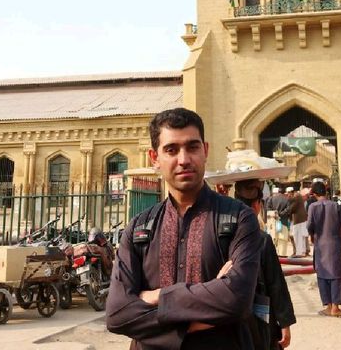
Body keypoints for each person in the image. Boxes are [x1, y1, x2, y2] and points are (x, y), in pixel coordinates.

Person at [106, 108, 262, 349]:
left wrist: (156, 296)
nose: (184, 159)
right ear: (154, 158)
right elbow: (118, 314)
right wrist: (204, 305)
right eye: (171, 150)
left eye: (192, 147)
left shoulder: (238, 218)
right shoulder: (139, 227)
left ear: (205, 150)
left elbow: (237, 300)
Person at [234, 179, 296, 350]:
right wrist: (285, 322)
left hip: (227, 318)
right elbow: (275, 283)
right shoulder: (262, 239)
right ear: (257, 206)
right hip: (260, 319)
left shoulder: (219, 237)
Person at [307, 181, 341, 318]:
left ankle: (328, 307)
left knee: (322, 273)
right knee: (336, 274)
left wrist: (313, 235)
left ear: (314, 194)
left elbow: (309, 226)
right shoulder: (335, 206)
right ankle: (335, 307)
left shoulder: (312, 207)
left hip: (319, 243)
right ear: (326, 192)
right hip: (334, 243)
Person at [265, 186, 290, 256]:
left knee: (273, 238)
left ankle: (273, 254)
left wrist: (275, 213)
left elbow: (268, 208)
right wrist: (280, 214)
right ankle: (282, 254)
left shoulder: (271, 198)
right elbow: (288, 209)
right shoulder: (286, 199)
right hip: (283, 221)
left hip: (272, 221)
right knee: (283, 239)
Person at [286, 187, 308, 257]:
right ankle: (303, 251)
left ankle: (299, 252)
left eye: (288, 194)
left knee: (297, 236)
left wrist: (288, 198)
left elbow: (291, 208)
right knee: (301, 236)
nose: (288, 195)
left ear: (290, 192)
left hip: (298, 219)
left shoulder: (296, 197)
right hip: (301, 219)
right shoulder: (298, 196)